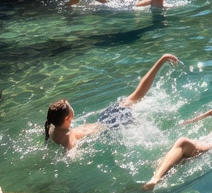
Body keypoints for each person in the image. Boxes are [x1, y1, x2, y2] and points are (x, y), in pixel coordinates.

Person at [44, 54, 180, 152]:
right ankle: (161, 61)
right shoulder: (69, 137)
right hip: (110, 124)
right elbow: (71, 150)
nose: (72, 109)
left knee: (132, 100)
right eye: (71, 108)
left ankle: (161, 61)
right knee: (134, 97)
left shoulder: (51, 128)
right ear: (68, 118)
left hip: (104, 122)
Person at [143, 81, 212, 189]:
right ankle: (156, 179)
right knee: (181, 149)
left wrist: (186, 122)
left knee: (182, 143)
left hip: (208, 140)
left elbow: (198, 118)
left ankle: (155, 179)